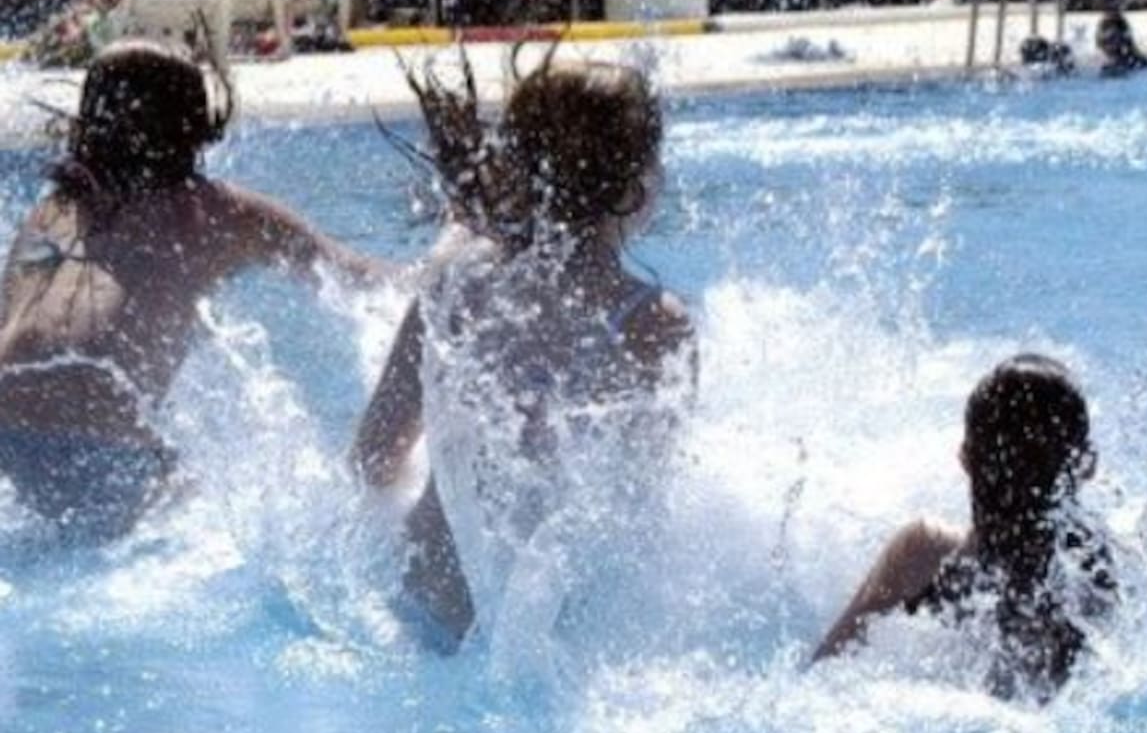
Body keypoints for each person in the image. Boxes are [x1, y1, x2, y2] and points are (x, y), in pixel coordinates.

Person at [351, 53, 695, 646]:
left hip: (427, 597)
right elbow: (643, 510)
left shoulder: (455, 284)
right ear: (639, 184)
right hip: (551, 628)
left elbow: (374, 456)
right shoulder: (656, 325)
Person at [0, 39, 388, 542]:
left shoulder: (55, 209)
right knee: (234, 505)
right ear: (195, 125)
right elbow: (350, 276)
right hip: (100, 446)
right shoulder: (216, 213)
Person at [814, 354, 1116, 701]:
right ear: (1087, 465)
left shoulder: (922, 556)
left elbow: (824, 672)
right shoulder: (1103, 576)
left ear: (965, 458)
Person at [1096, 11, 1147, 77]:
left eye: (1112, 39)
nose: (1110, 44)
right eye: (1108, 40)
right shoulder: (1104, 65)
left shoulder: (1136, 61)